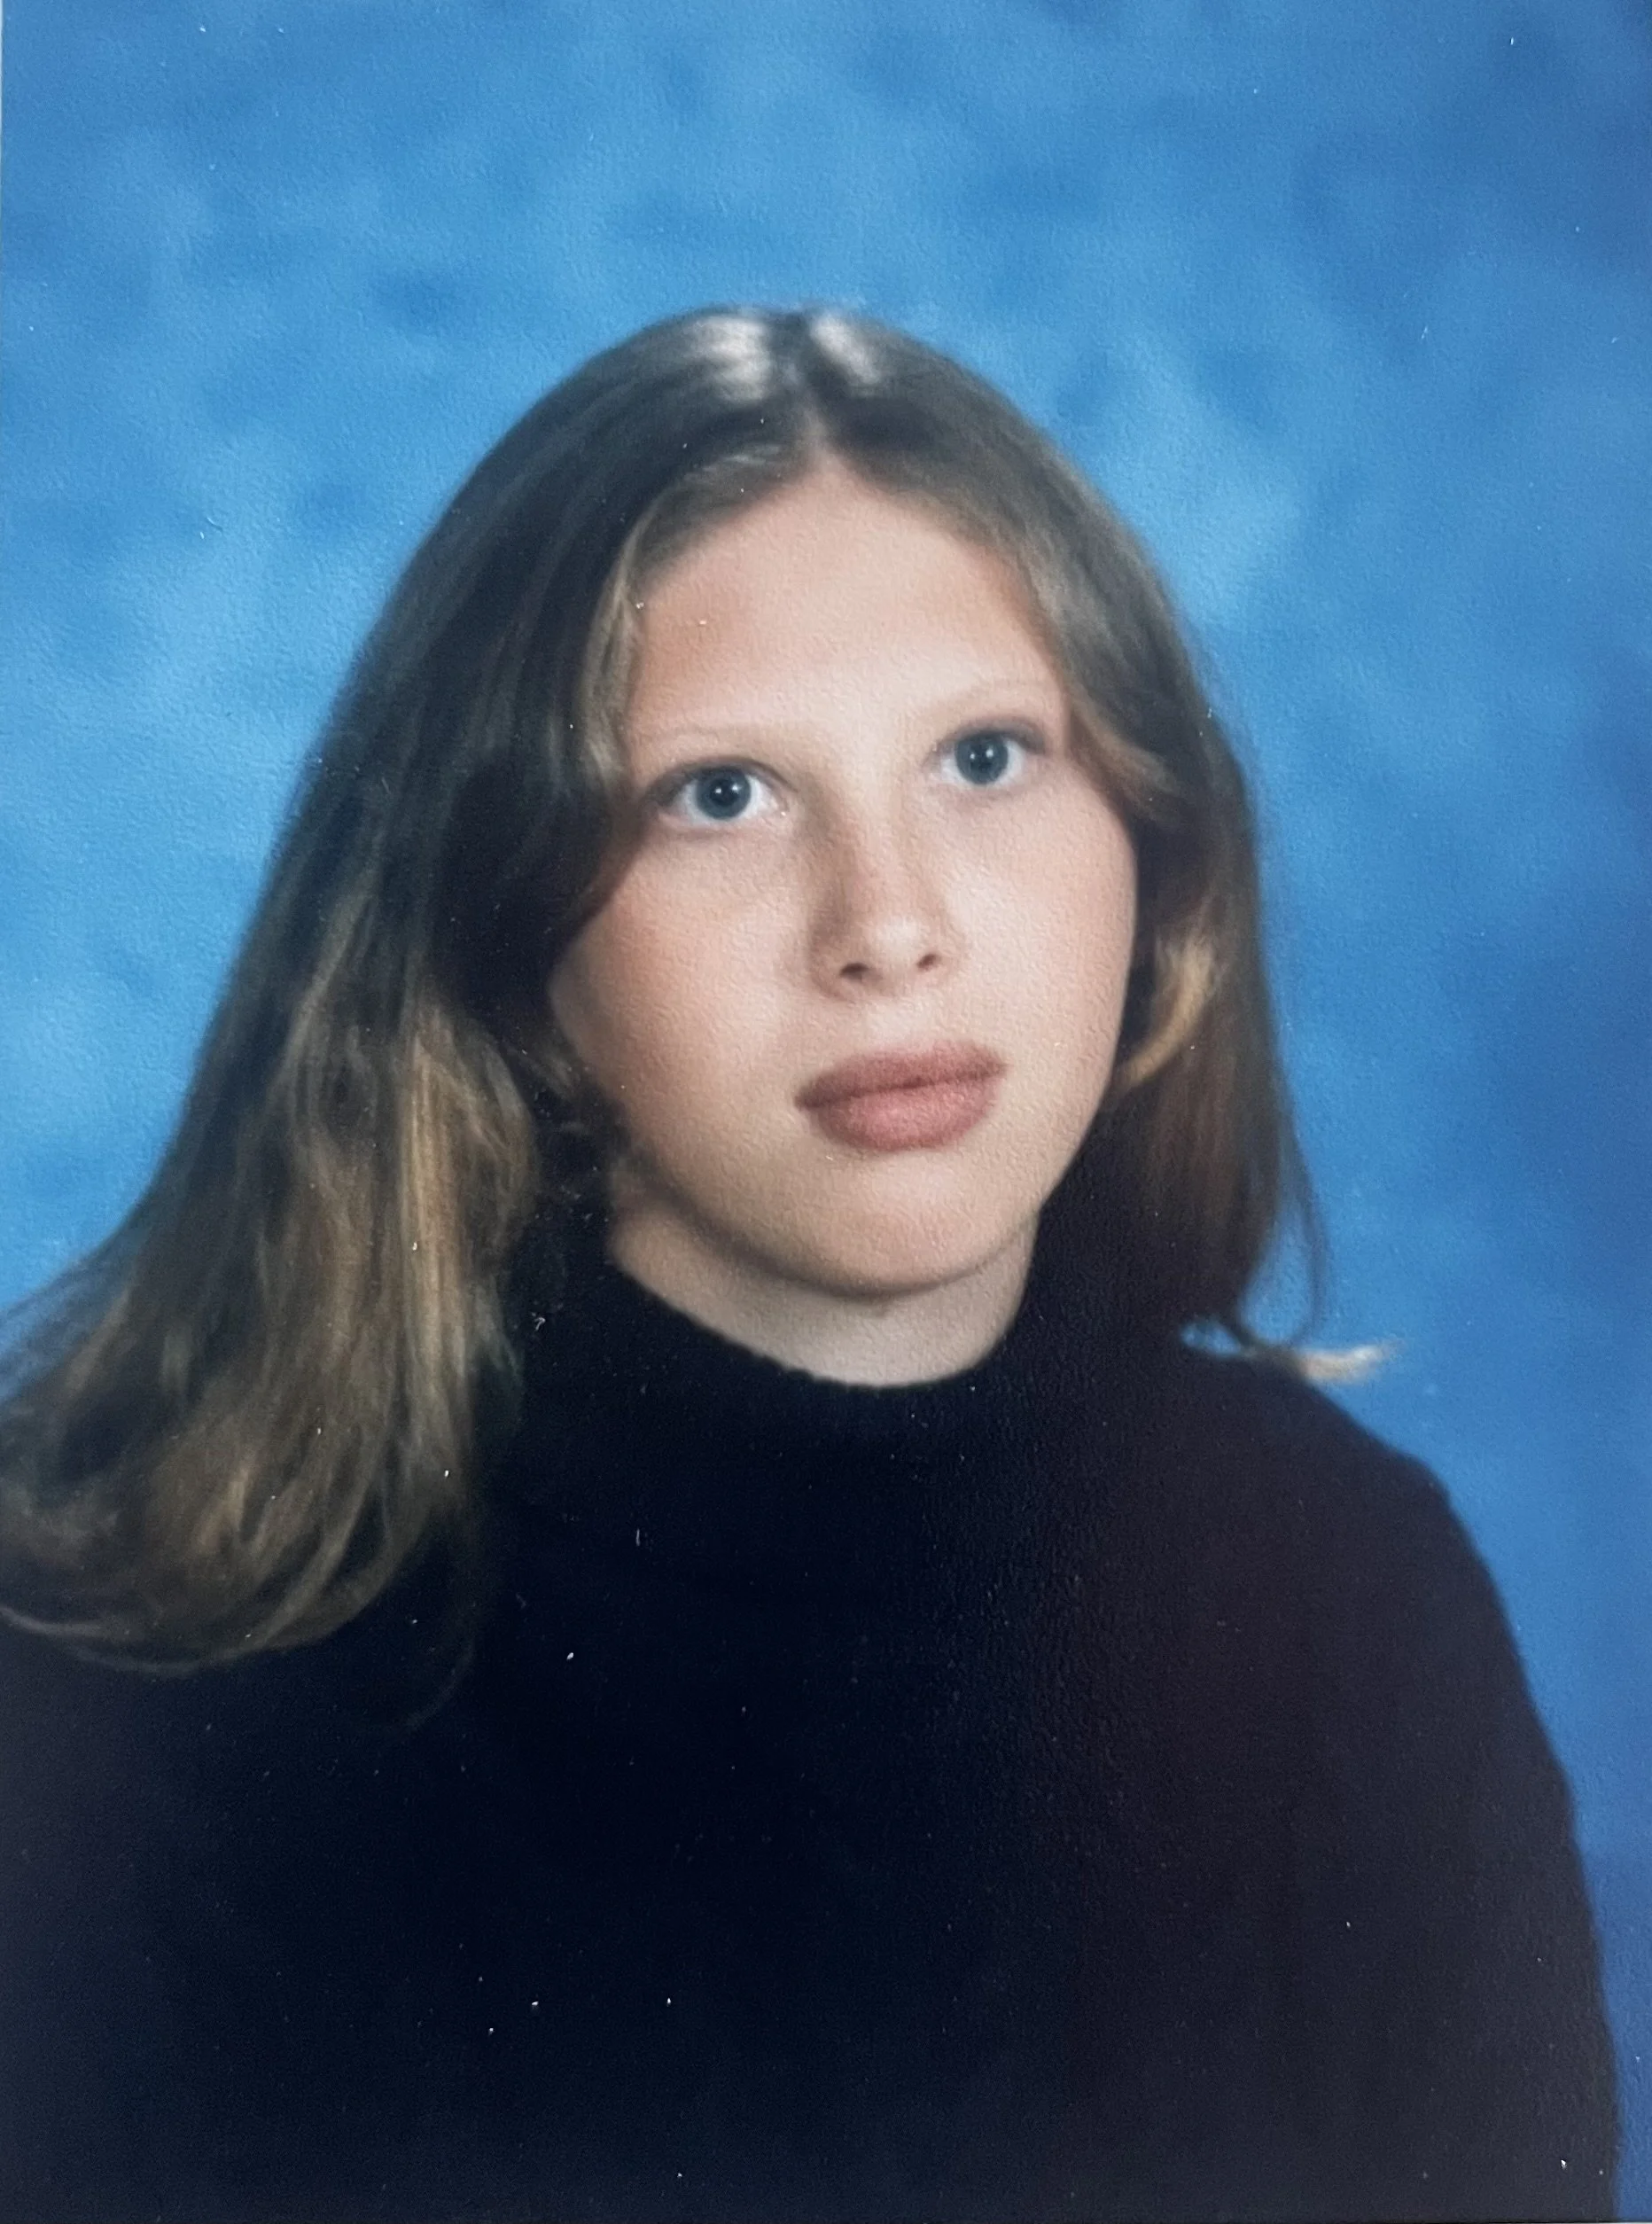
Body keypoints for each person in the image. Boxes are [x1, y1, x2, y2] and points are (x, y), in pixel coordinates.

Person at [0, 307, 1618, 2223]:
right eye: (719, 796)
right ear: (508, 942)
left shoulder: (1355, 1601)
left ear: (1155, 858)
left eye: (986, 757)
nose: (887, 927)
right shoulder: (117, 1677)